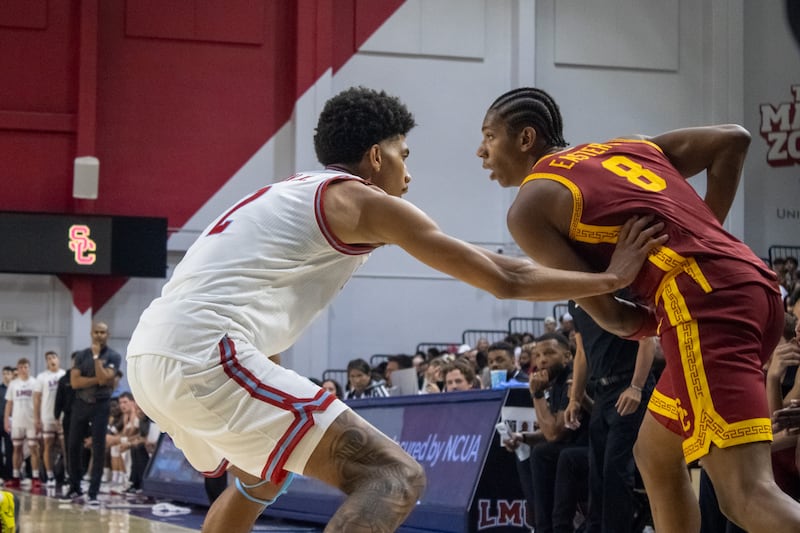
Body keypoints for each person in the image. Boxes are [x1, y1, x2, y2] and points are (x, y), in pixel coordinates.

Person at [125, 86, 665, 533]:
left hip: (155, 354)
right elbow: (505, 275)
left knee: (260, 478)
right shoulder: (359, 200)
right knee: (394, 478)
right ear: (376, 156)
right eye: (404, 155)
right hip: (202, 352)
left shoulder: (283, 194)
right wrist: (612, 277)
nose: (408, 174)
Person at [477, 86, 800, 531]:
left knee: (746, 496)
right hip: (754, 285)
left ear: (526, 138)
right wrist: (704, 234)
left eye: (489, 136)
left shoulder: (530, 206)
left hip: (706, 308)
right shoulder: (626, 147)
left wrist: (676, 297)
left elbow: (616, 318)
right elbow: (733, 139)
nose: (481, 151)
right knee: (654, 454)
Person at [565, 300, 656, 532]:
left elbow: (647, 338)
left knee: (615, 470)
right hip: (603, 391)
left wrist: (636, 386)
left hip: (629, 384)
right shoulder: (574, 301)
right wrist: (575, 398)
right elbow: (582, 353)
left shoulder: (621, 288)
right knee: (597, 473)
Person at [504, 333, 589, 533]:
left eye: (549, 353)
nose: (542, 360)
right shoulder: (557, 380)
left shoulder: (572, 378)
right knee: (532, 451)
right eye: (538, 355)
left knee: (544, 453)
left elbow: (554, 434)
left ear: (567, 356)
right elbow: (552, 431)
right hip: (571, 447)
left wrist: (537, 394)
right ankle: (542, 526)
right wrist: (524, 437)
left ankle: (552, 528)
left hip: (589, 449)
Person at [64, 321, 122, 505]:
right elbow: (75, 383)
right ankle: (74, 487)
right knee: (73, 445)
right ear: (91, 333)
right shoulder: (81, 355)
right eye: (96, 332)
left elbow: (107, 378)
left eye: (103, 332)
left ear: (108, 334)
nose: (99, 335)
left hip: (101, 405)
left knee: (98, 447)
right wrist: (99, 379)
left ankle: (93, 492)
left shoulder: (114, 355)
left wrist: (97, 358)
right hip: (81, 404)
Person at [3, 358, 40, 489]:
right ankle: (15, 477)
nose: (23, 370)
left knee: (33, 449)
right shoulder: (13, 384)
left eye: (26, 367)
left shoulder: (35, 382)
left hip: (31, 421)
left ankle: (35, 477)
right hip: (17, 421)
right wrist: (6, 420)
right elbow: (9, 403)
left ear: (29, 368)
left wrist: (38, 419)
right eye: (21, 367)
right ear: (17, 369)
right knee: (16, 450)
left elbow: (39, 402)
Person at [33, 350, 66, 487]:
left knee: (65, 446)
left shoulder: (64, 374)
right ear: (46, 361)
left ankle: (66, 475)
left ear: (58, 359)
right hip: (47, 415)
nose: (51, 359)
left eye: (53, 357)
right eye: (48, 358)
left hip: (63, 416)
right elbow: (36, 399)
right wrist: (37, 418)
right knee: (48, 445)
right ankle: (50, 475)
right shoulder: (42, 377)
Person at [53, 352, 77, 487]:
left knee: (82, 447)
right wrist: (56, 417)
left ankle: (81, 475)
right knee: (68, 447)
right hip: (68, 417)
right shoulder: (64, 379)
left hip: (83, 417)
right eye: (74, 361)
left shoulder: (86, 378)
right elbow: (59, 400)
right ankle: (69, 474)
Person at [0, 367, 13, 482]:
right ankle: (1, 474)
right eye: (4, 374)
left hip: (11, 420)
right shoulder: (0, 389)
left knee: (10, 449)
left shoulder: (14, 388)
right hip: (0, 420)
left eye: (8, 373)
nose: (5, 376)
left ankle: (10, 474)